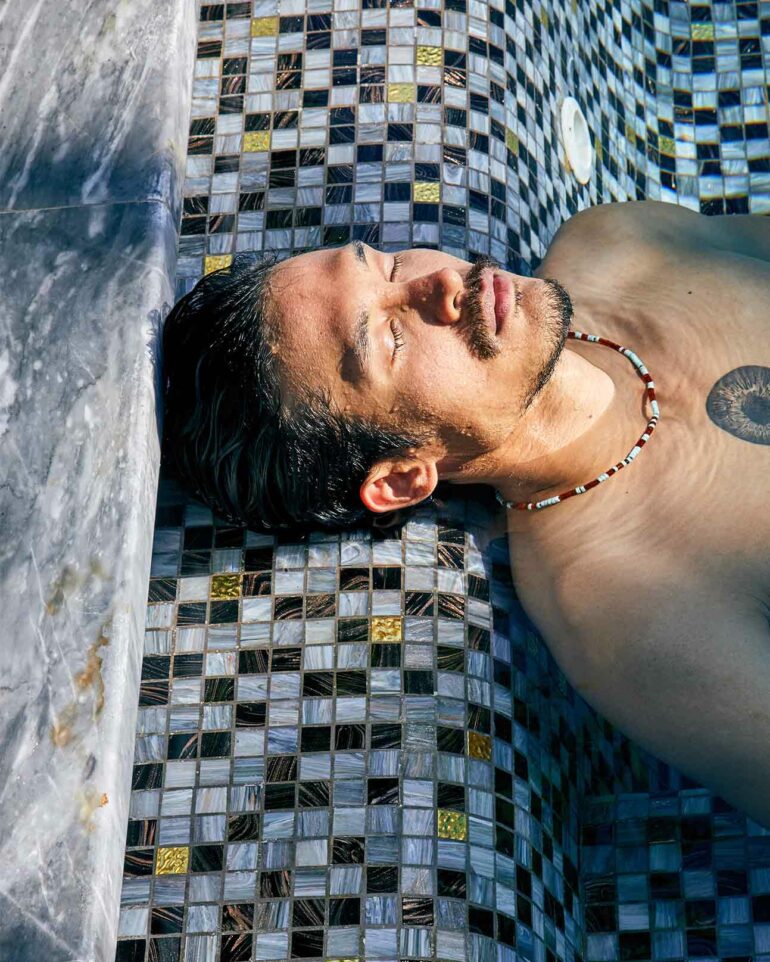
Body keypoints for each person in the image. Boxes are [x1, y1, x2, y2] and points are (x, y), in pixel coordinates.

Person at [163, 199, 770, 826]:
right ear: (402, 477)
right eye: (390, 339)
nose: (443, 283)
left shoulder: (616, 243)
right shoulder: (638, 617)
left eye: (388, 263)